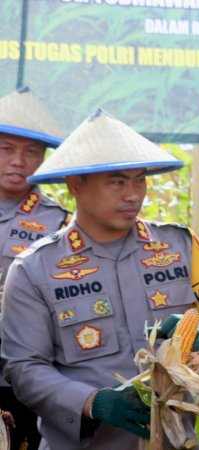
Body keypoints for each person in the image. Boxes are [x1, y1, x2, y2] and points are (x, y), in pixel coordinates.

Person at [0, 109, 199, 449]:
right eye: (117, 182)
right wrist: (91, 402)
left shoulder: (181, 245)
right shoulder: (33, 268)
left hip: (175, 440)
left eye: (139, 180)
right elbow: (24, 367)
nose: (133, 195)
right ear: (75, 185)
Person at [0, 87, 72, 450]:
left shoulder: (61, 223)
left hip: (23, 381)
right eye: (6, 149)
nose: (18, 161)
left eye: (31, 152)